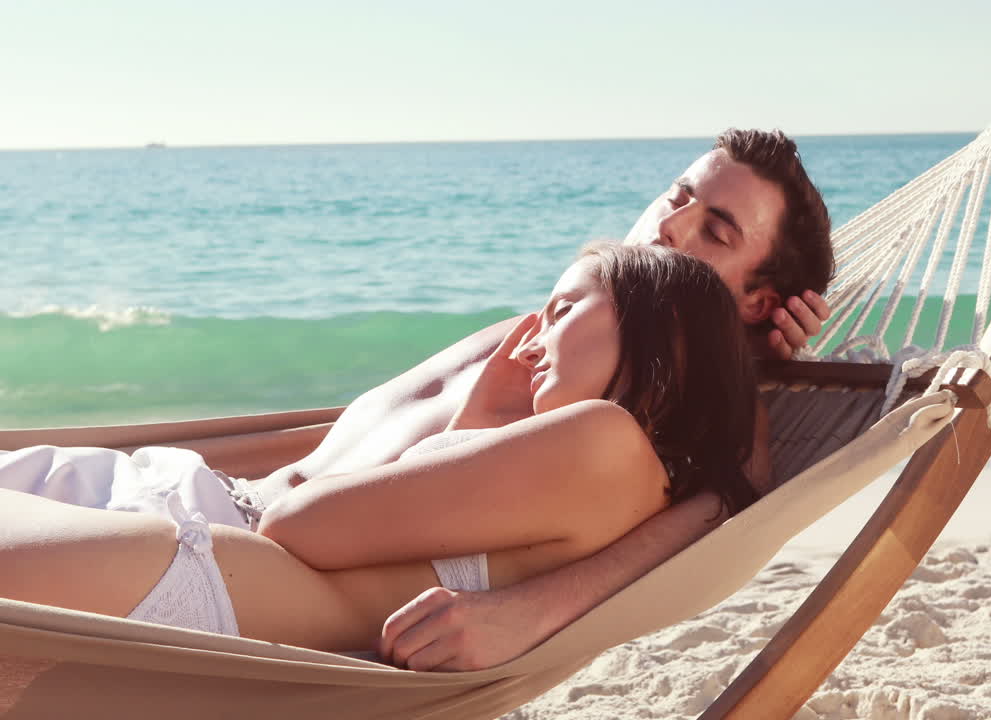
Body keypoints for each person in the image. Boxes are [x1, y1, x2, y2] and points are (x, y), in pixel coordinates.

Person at [3, 127, 835, 668]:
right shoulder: (543, 336)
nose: (670, 225)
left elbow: (733, 503)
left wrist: (527, 613)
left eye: (715, 231)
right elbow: (324, 442)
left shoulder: (645, 429)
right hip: (171, 494)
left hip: (210, 555)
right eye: (679, 195)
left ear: (760, 303)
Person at [0, 244, 762, 651]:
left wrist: (480, 411)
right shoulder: (635, 488)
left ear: (660, 334)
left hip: (191, 569)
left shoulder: (605, 440)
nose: (530, 338)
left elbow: (298, 524)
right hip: (174, 525)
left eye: (563, 310)